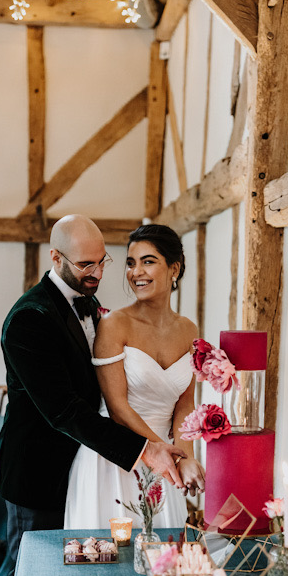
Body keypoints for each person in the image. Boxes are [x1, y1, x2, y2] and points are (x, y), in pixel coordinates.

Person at [0, 215, 188, 576]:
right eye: (85, 265)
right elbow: (66, 411)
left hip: (87, 470)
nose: (97, 274)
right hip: (37, 476)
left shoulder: (94, 309)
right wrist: (146, 450)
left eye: (102, 262)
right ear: (55, 257)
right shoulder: (29, 318)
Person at [64, 223, 205, 529]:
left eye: (148, 261)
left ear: (174, 269)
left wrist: (187, 456)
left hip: (166, 463)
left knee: (165, 565)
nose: (136, 272)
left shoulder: (189, 330)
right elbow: (117, 407)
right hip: (116, 458)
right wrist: (169, 455)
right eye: (130, 263)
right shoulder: (115, 325)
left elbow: (185, 404)